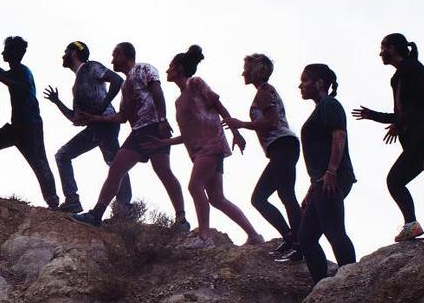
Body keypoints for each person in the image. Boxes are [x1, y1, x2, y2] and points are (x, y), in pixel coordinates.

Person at [70, 42, 189, 230]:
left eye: (114, 55)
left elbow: (158, 91)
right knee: (116, 170)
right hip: (137, 134)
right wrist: (94, 118)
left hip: (153, 128)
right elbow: (122, 117)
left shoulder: (143, 69)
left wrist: (163, 120)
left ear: (124, 55)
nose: (112, 60)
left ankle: (181, 219)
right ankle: (96, 214)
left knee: (164, 172)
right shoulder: (126, 87)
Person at [158, 45, 264, 248]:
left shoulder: (195, 83)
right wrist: (164, 142)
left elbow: (218, 106)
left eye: (170, 66)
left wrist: (236, 132)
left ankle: (205, 237)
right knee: (216, 198)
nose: (167, 70)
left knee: (194, 186)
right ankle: (254, 235)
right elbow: (188, 135)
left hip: (212, 145)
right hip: (199, 151)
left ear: (179, 68)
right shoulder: (179, 101)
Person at [352, 34, 424, 242]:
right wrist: (374, 116)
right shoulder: (399, 76)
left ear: (392, 48)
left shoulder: (413, 69)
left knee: (402, 179)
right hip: (420, 135)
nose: (380, 53)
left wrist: (398, 123)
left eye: (382, 48)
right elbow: (401, 114)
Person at [225, 53, 302, 260]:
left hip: (282, 145)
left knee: (285, 195)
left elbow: (272, 122)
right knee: (261, 198)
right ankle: (291, 237)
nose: (243, 72)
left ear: (255, 70)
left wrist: (242, 124)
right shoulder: (265, 91)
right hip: (282, 146)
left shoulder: (264, 92)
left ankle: (300, 242)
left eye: (246, 68)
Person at [44, 41, 131, 213]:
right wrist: (57, 102)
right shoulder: (77, 85)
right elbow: (76, 118)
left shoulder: (91, 67)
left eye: (66, 51)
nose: (63, 55)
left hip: (106, 124)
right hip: (96, 127)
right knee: (64, 156)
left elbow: (118, 80)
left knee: (115, 164)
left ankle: (124, 209)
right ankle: (74, 202)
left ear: (74, 53)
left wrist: (101, 109)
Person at [0, 38, 59, 209]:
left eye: (6, 49)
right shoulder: (14, 71)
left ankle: (53, 202)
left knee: (40, 162)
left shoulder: (23, 71)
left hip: (30, 128)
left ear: (15, 52)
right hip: (16, 128)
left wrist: (2, 77)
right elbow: (2, 73)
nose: (3, 53)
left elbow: (21, 85)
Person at [296, 63, 356, 282]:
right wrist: (312, 188)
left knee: (334, 230)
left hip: (333, 177)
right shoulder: (320, 108)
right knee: (306, 237)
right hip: (322, 180)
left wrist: (331, 171)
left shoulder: (329, 104)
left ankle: (351, 279)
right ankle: (321, 285)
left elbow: (339, 136)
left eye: (305, 80)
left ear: (319, 83)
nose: (300, 85)